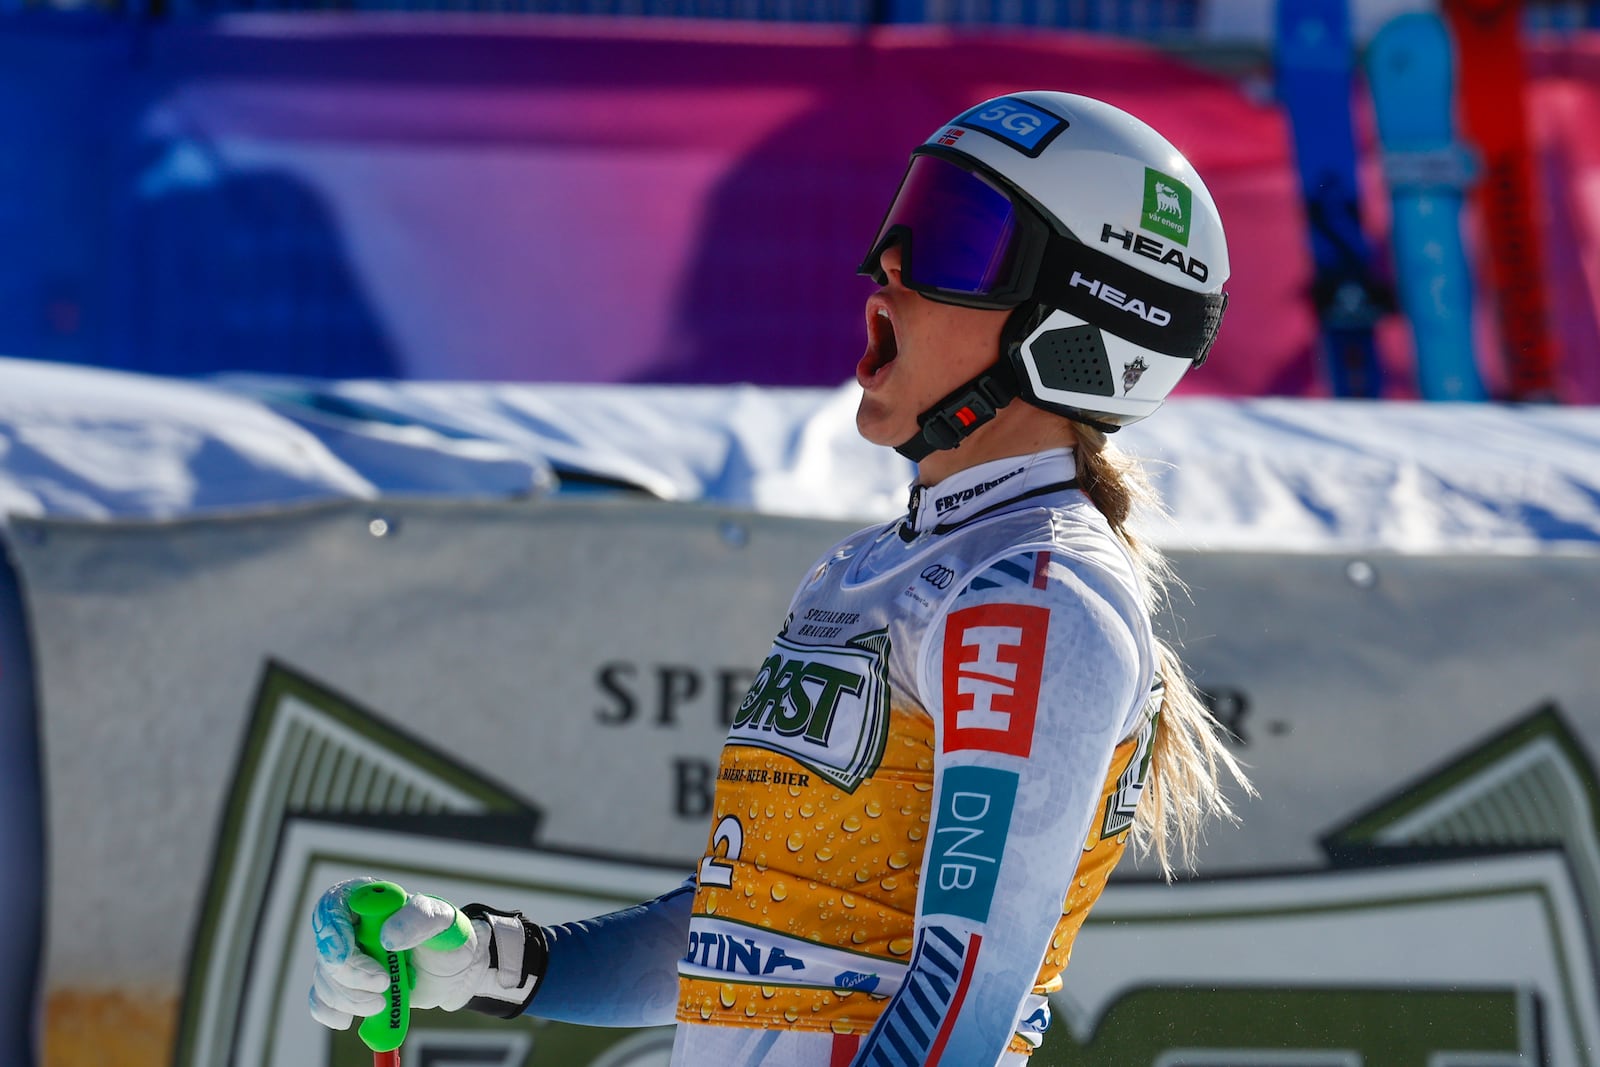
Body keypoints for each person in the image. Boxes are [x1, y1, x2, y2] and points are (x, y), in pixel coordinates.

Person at [308, 90, 1252, 1066]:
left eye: (955, 240)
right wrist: (492, 961)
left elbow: (968, 984)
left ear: (1082, 325)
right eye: (904, 220)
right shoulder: (868, 570)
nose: (889, 262)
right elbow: (739, 935)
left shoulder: (1033, 590)